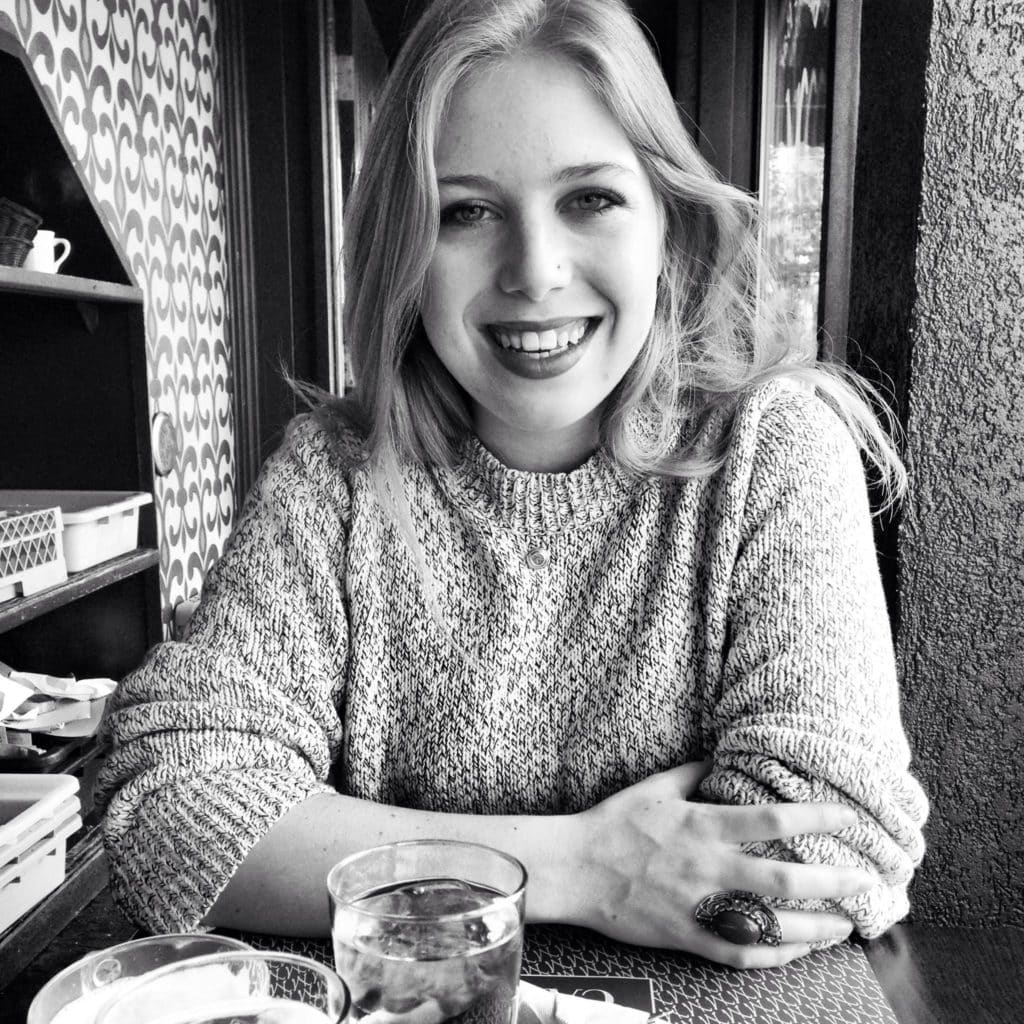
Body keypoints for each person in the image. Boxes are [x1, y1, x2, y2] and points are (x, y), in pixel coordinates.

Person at [97, 0, 928, 971]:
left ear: (666, 215)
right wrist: (584, 864)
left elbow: (832, 845)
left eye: (589, 199)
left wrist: (340, 840)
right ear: (403, 250)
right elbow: (167, 804)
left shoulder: (773, 446)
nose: (535, 272)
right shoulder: (332, 479)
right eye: (467, 211)